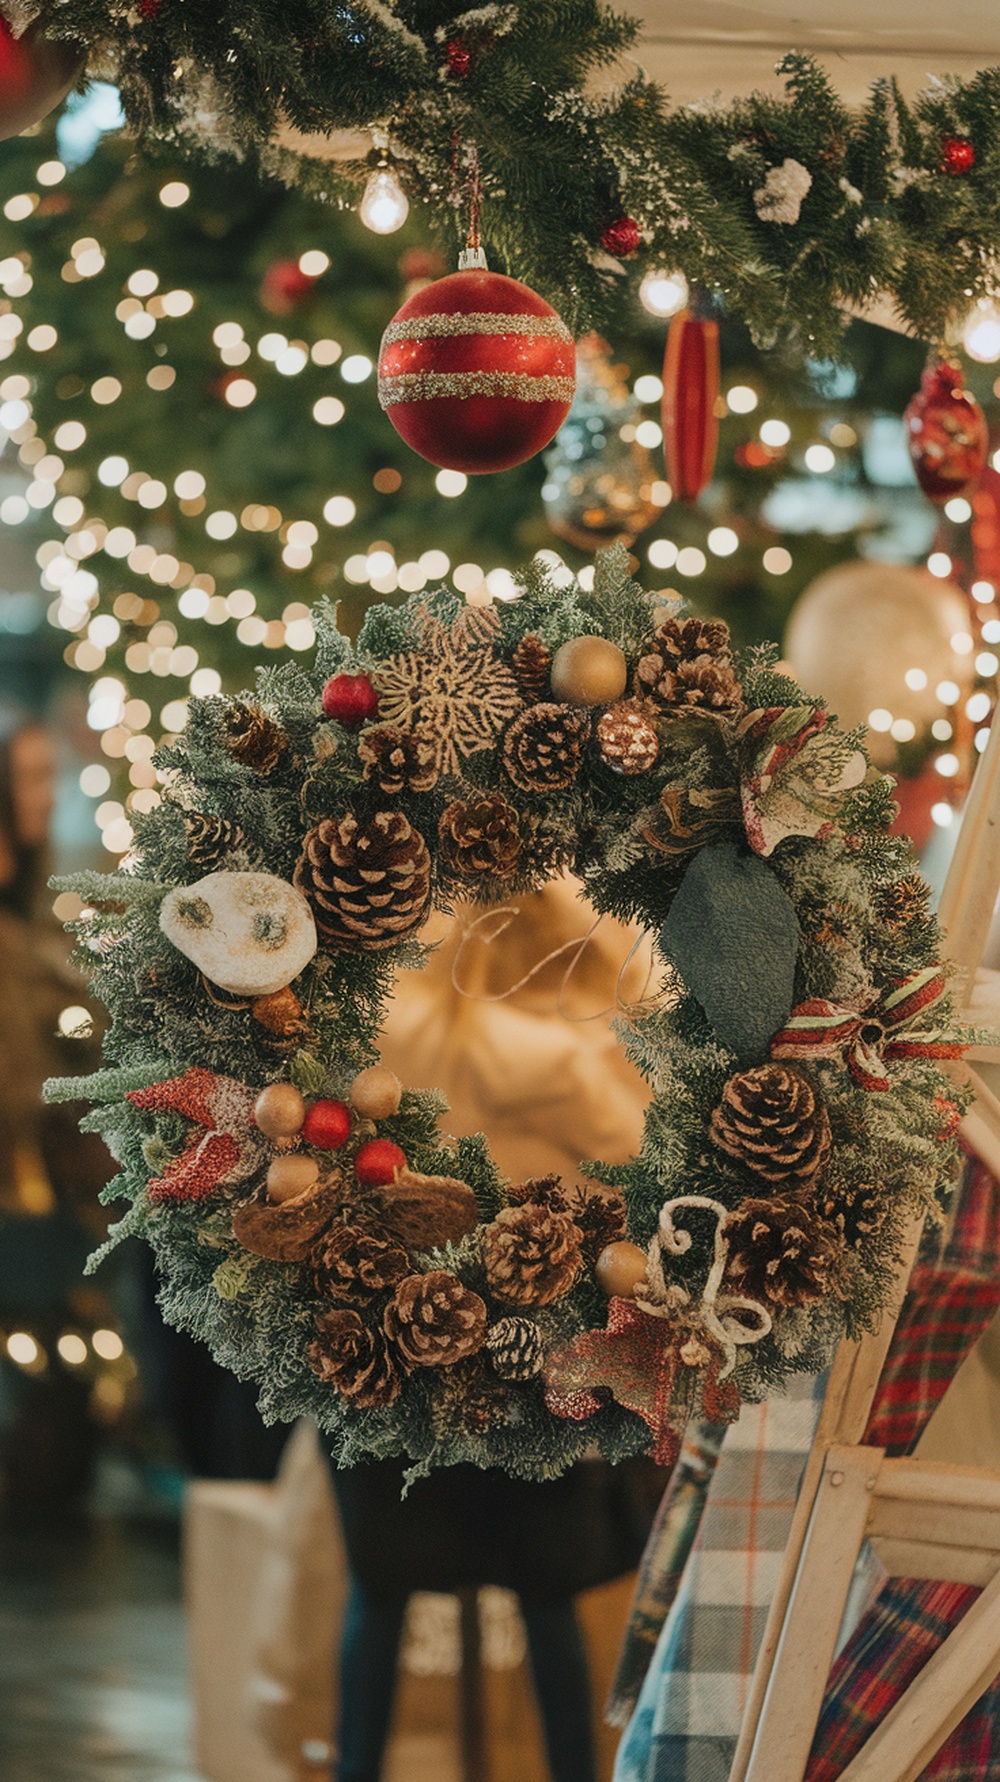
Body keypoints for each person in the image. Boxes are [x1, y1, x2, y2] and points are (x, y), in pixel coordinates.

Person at [329, 878, 665, 1782]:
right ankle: (571, 1772)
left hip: (410, 1332)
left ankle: (358, 1767)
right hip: (546, 1344)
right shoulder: (599, 1057)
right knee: (547, 1597)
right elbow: (629, 1153)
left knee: (382, 1592)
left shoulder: (413, 1029)